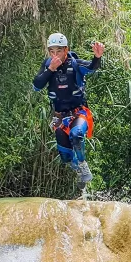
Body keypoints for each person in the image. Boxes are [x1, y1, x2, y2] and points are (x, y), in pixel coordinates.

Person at [32, 33, 105, 191]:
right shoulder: (47, 65)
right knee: (65, 157)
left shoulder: (75, 64)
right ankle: (77, 169)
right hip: (59, 116)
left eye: (59, 51)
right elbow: (36, 86)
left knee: (76, 135)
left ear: (66, 50)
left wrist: (97, 57)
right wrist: (50, 69)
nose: (55, 55)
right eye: (52, 51)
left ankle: (83, 165)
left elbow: (91, 67)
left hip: (79, 113)